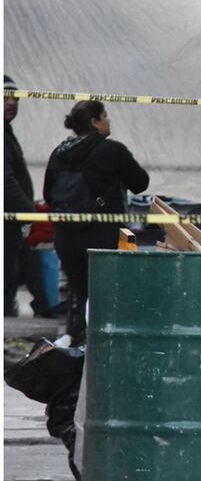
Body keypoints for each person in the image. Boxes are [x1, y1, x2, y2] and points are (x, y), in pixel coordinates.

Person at [44, 100, 149, 343]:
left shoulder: (59, 152)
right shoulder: (112, 150)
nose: (108, 121)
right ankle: (96, 345)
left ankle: (73, 341)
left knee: (79, 290)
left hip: (66, 237)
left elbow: (48, 194)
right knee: (105, 293)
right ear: (95, 122)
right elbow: (140, 183)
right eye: (105, 116)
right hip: (102, 235)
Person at [4, 76, 51, 318]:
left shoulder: (6, 131)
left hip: (12, 218)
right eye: (5, 97)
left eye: (15, 98)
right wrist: (27, 212)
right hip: (9, 217)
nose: (12, 102)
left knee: (17, 267)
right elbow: (5, 179)